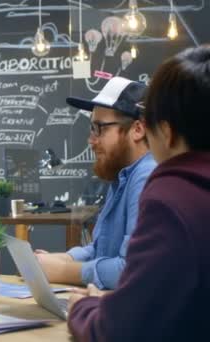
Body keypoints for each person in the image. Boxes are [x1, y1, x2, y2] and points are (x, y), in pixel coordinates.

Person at [67, 45, 210, 342]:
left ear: (165, 132)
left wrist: (83, 306)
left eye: (99, 128)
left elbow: (119, 328)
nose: (91, 139)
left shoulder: (171, 197)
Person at [35, 76, 156, 289]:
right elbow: (101, 248)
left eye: (100, 128)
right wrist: (63, 259)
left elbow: (131, 269)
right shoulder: (122, 174)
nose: (91, 140)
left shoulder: (147, 177)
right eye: (92, 128)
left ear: (138, 129)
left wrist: (62, 271)